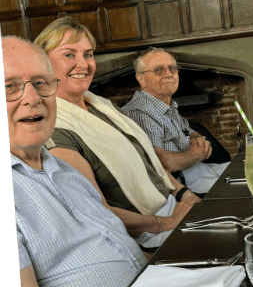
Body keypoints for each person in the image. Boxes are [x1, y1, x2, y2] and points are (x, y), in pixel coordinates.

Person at [3, 36, 147, 287]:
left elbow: (122, 251)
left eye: (41, 83)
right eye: (9, 87)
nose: (32, 98)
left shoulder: (65, 170)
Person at [35, 18, 201, 248]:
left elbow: (146, 160)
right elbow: (97, 211)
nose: (83, 64)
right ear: (43, 63)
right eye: (69, 54)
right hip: (146, 234)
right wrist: (167, 222)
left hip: (172, 205)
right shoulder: (56, 130)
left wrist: (185, 194)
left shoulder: (101, 105)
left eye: (88, 54)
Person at [121, 47, 228, 194]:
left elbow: (190, 130)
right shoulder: (140, 112)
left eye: (172, 68)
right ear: (141, 79)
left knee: (251, 170)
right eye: (159, 70)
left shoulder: (166, 105)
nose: (168, 74)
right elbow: (163, 163)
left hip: (200, 171)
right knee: (247, 185)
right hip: (183, 186)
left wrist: (198, 139)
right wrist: (196, 154)